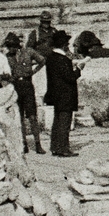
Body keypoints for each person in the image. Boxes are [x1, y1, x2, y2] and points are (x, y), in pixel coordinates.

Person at [3, 33, 45, 155]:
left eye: (12, 46)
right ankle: (24, 143)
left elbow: (42, 61)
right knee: (19, 117)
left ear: (17, 45)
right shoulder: (6, 58)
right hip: (15, 86)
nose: (10, 49)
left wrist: (34, 71)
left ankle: (38, 144)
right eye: (8, 46)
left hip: (27, 86)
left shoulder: (28, 52)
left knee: (32, 117)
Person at [42, 29, 82, 158]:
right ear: (64, 44)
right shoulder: (62, 59)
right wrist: (79, 70)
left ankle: (55, 147)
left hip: (55, 94)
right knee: (64, 122)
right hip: (66, 95)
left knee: (57, 121)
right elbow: (70, 77)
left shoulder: (50, 58)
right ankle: (64, 148)